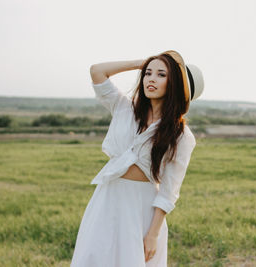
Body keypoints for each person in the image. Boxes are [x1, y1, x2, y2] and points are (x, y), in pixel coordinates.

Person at [70, 50, 204, 267]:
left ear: (176, 86)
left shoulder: (182, 136)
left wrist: (153, 233)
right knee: (96, 258)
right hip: (108, 197)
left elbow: (170, 191)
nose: (151, 78)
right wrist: (140, 63)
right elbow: (97, 71)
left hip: (142, 207)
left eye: (162, 75)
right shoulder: (124, 107)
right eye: (148, 73)